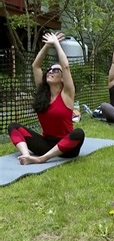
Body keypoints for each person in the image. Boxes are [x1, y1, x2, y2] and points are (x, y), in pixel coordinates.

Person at [8, 32, 85, 165]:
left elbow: (65, 66)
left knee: (78, 133)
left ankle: (41, 159)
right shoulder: (42, 92)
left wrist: (56, 43)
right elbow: (36, 66)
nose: (50, 71)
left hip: (66, 147)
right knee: (13, 126)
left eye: (55, 71)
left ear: (62, 78)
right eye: (49, 70)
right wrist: (47, 45)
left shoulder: (67, 93)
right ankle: (26, 155)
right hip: (46, 144)